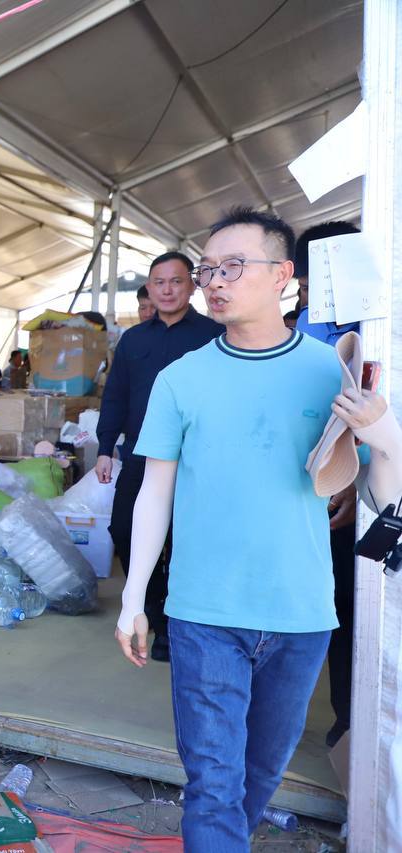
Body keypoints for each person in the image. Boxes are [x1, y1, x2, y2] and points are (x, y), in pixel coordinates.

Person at [115, 207, 402, 850]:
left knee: (260, 775)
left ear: (283, 276)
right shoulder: (180, 378)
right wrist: (134, 598)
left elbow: (383, 493)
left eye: (234, 267)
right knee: (213, 784)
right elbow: (154, 493)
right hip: (203, 612)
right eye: (208, 270)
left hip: (301, 613)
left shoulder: (334, 369)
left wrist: (386, 434)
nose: (215, 282)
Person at [96, 251, 222, 662]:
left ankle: (171, 624)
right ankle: (148, 607)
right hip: (140, 454)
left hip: (195, 459)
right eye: (159, 282)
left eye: (176, 281)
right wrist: (105, 448)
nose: (167, 290)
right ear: (149, 288)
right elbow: (115, 395)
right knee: (124, 529)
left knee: (183, 539)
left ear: (192, 285)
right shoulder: (133, 339)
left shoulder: (213, 335)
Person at [290, 220, 363, 747]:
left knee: (358, 609)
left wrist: (358, 481)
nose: (313, 295)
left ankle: (356, 718)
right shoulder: (304, 326)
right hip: (310, 487)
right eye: (308, 284)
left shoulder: (383, 325)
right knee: (322, 601)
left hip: (369, 490)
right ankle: (337, 714)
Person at [294, 221, 361, 346]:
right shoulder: (305, 320)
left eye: (325, 288)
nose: (314, 300)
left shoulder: (380, 327)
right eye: (306, 288)